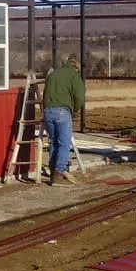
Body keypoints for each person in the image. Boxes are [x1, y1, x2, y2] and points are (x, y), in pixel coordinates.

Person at [42, 54, 86, 185]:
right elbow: (79, 96)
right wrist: (75, 110)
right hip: (63, 111)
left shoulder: (53, 74)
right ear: (76, 67)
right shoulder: (74, 76)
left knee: (52, 142)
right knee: (64, 143)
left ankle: (52, 172)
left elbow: (45, 93)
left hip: (48, 110)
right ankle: (59, 173)